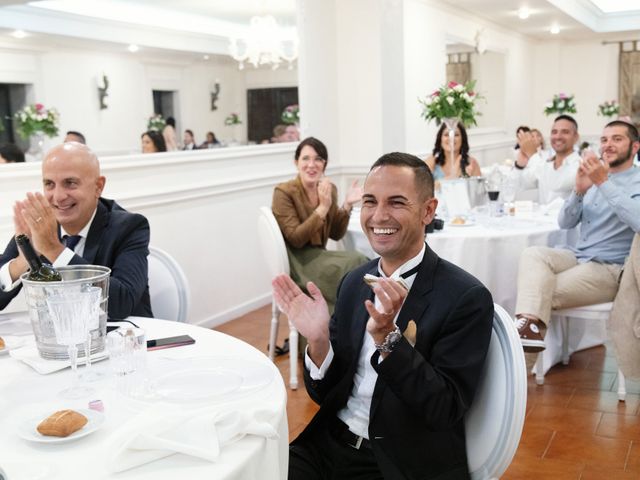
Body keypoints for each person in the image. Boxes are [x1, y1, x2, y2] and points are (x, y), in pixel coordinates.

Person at [273, 152, 493, 479]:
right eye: (370, 202)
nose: (378, 216)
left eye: (397, 203)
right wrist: (318, 343)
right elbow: (324, 394)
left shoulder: (465, 298)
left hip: (398, 461)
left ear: (428, 211)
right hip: (327, 445)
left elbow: (443, 409)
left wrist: (389, 340)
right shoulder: (353, 282)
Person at [515, 120, 640, 352]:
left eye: (617, 139)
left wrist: (603, 183)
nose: (608, 145)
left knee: (537, 293)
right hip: (578, 255)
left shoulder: (634, 180)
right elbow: (565, 222)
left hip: (610, 268)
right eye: (604, 139)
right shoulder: (593, 175)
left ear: (634, 147)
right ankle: (525, 347)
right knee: (533, 254)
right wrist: (579, 192)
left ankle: (521, 375)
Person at [0, 143, 153, 319]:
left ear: (98, 187)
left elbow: (122, 304)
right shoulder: (40, 224)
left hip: (123, 339)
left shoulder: (129, 227)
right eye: (49, 184)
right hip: (58, 341)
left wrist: (54, 250)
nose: (58, 197)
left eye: (70, 183)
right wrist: (23, 260)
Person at [272, 137, 367, 312]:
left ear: (325, 164)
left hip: (320, 256)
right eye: (306, 158)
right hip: (298, 263)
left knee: (363, 264)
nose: (312, 164)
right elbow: (296, 239)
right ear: (296, 162)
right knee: (357, 262)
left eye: (318, 159)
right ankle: (341, 325)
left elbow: (336, 234)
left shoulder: (328, 189)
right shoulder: (284, 192)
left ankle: (355, 324)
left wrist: (347, 204)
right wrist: (323, 207)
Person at [512, 115, 580, 205]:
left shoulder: (580, 165)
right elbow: (521, 185)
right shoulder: (546, 164)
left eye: (565, 132)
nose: (558, 136)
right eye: (554, 132)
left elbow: (555, 184)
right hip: (540, 218)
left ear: (576, 137)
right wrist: (519, 166)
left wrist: (532, 155)